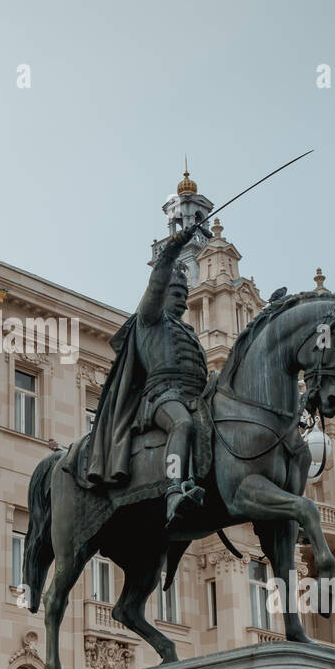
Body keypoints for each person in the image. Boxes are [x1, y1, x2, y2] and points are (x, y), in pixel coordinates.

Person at [85, 222, 209, 529]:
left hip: (195, 397)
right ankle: (174, 490)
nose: (182, 298)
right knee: (181, 425)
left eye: (184, 293)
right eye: (176, 292)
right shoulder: (151, 319)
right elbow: (156, 284)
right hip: (162, 397)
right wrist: (173, 250)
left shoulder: (189, 331)